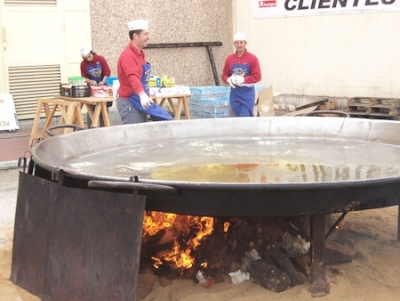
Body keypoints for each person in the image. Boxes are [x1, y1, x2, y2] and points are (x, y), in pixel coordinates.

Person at [116, 19, 172, 124]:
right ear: (135, 36)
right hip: (130, 102)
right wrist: (142, 95)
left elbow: (143, 79)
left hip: (140, 100)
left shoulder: (141, 53)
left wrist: (146, 95)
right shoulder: (128, 56)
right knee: (134, 135)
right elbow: (133, 77)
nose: (148, 37)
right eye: (145, 34)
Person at [222, 33, 262, 117]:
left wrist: (244, 80)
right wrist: (228, 80)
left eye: (241, 42)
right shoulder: (229, 59)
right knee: (233, 119)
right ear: (234, 44)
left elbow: (258, 76)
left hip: (247, 95)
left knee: (244, 118)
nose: (239, 45)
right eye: (237, 42)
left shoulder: (252, 59)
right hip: (234, 95)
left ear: (245, 43)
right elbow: (224, 75)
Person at [80, 46, 112, 128]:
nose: (88, 59)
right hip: (91, 90)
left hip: (103, 88)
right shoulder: (83, 64)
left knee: (103, 108)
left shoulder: (101, 59)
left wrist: (103, 81)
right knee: (91, 109)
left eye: (89, 57)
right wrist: (91, 81)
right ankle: (91, 129)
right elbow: (84, 78)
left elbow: (107, 72)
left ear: (92, 53)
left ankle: (104, 128)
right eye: (86, 58)